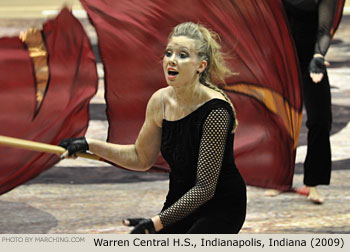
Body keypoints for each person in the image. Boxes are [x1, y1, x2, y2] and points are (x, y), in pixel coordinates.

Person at [59, 22, 247, 234]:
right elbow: (141, 157)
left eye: (183, 55)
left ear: (201, 66)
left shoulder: (216, 111)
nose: (171, 60)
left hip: (220, 205)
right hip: (180, 200)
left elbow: (205, 188)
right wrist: (89, 144)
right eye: (169, 53)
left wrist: (155, 223)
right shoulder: (160, 100)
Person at [281, 0, 340, 204]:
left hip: (310, 60)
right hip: (280, 60)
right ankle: (278, 179)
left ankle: (312, 182)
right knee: (277, 117)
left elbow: (324, 30)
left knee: (321, 119)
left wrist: (318, 56)